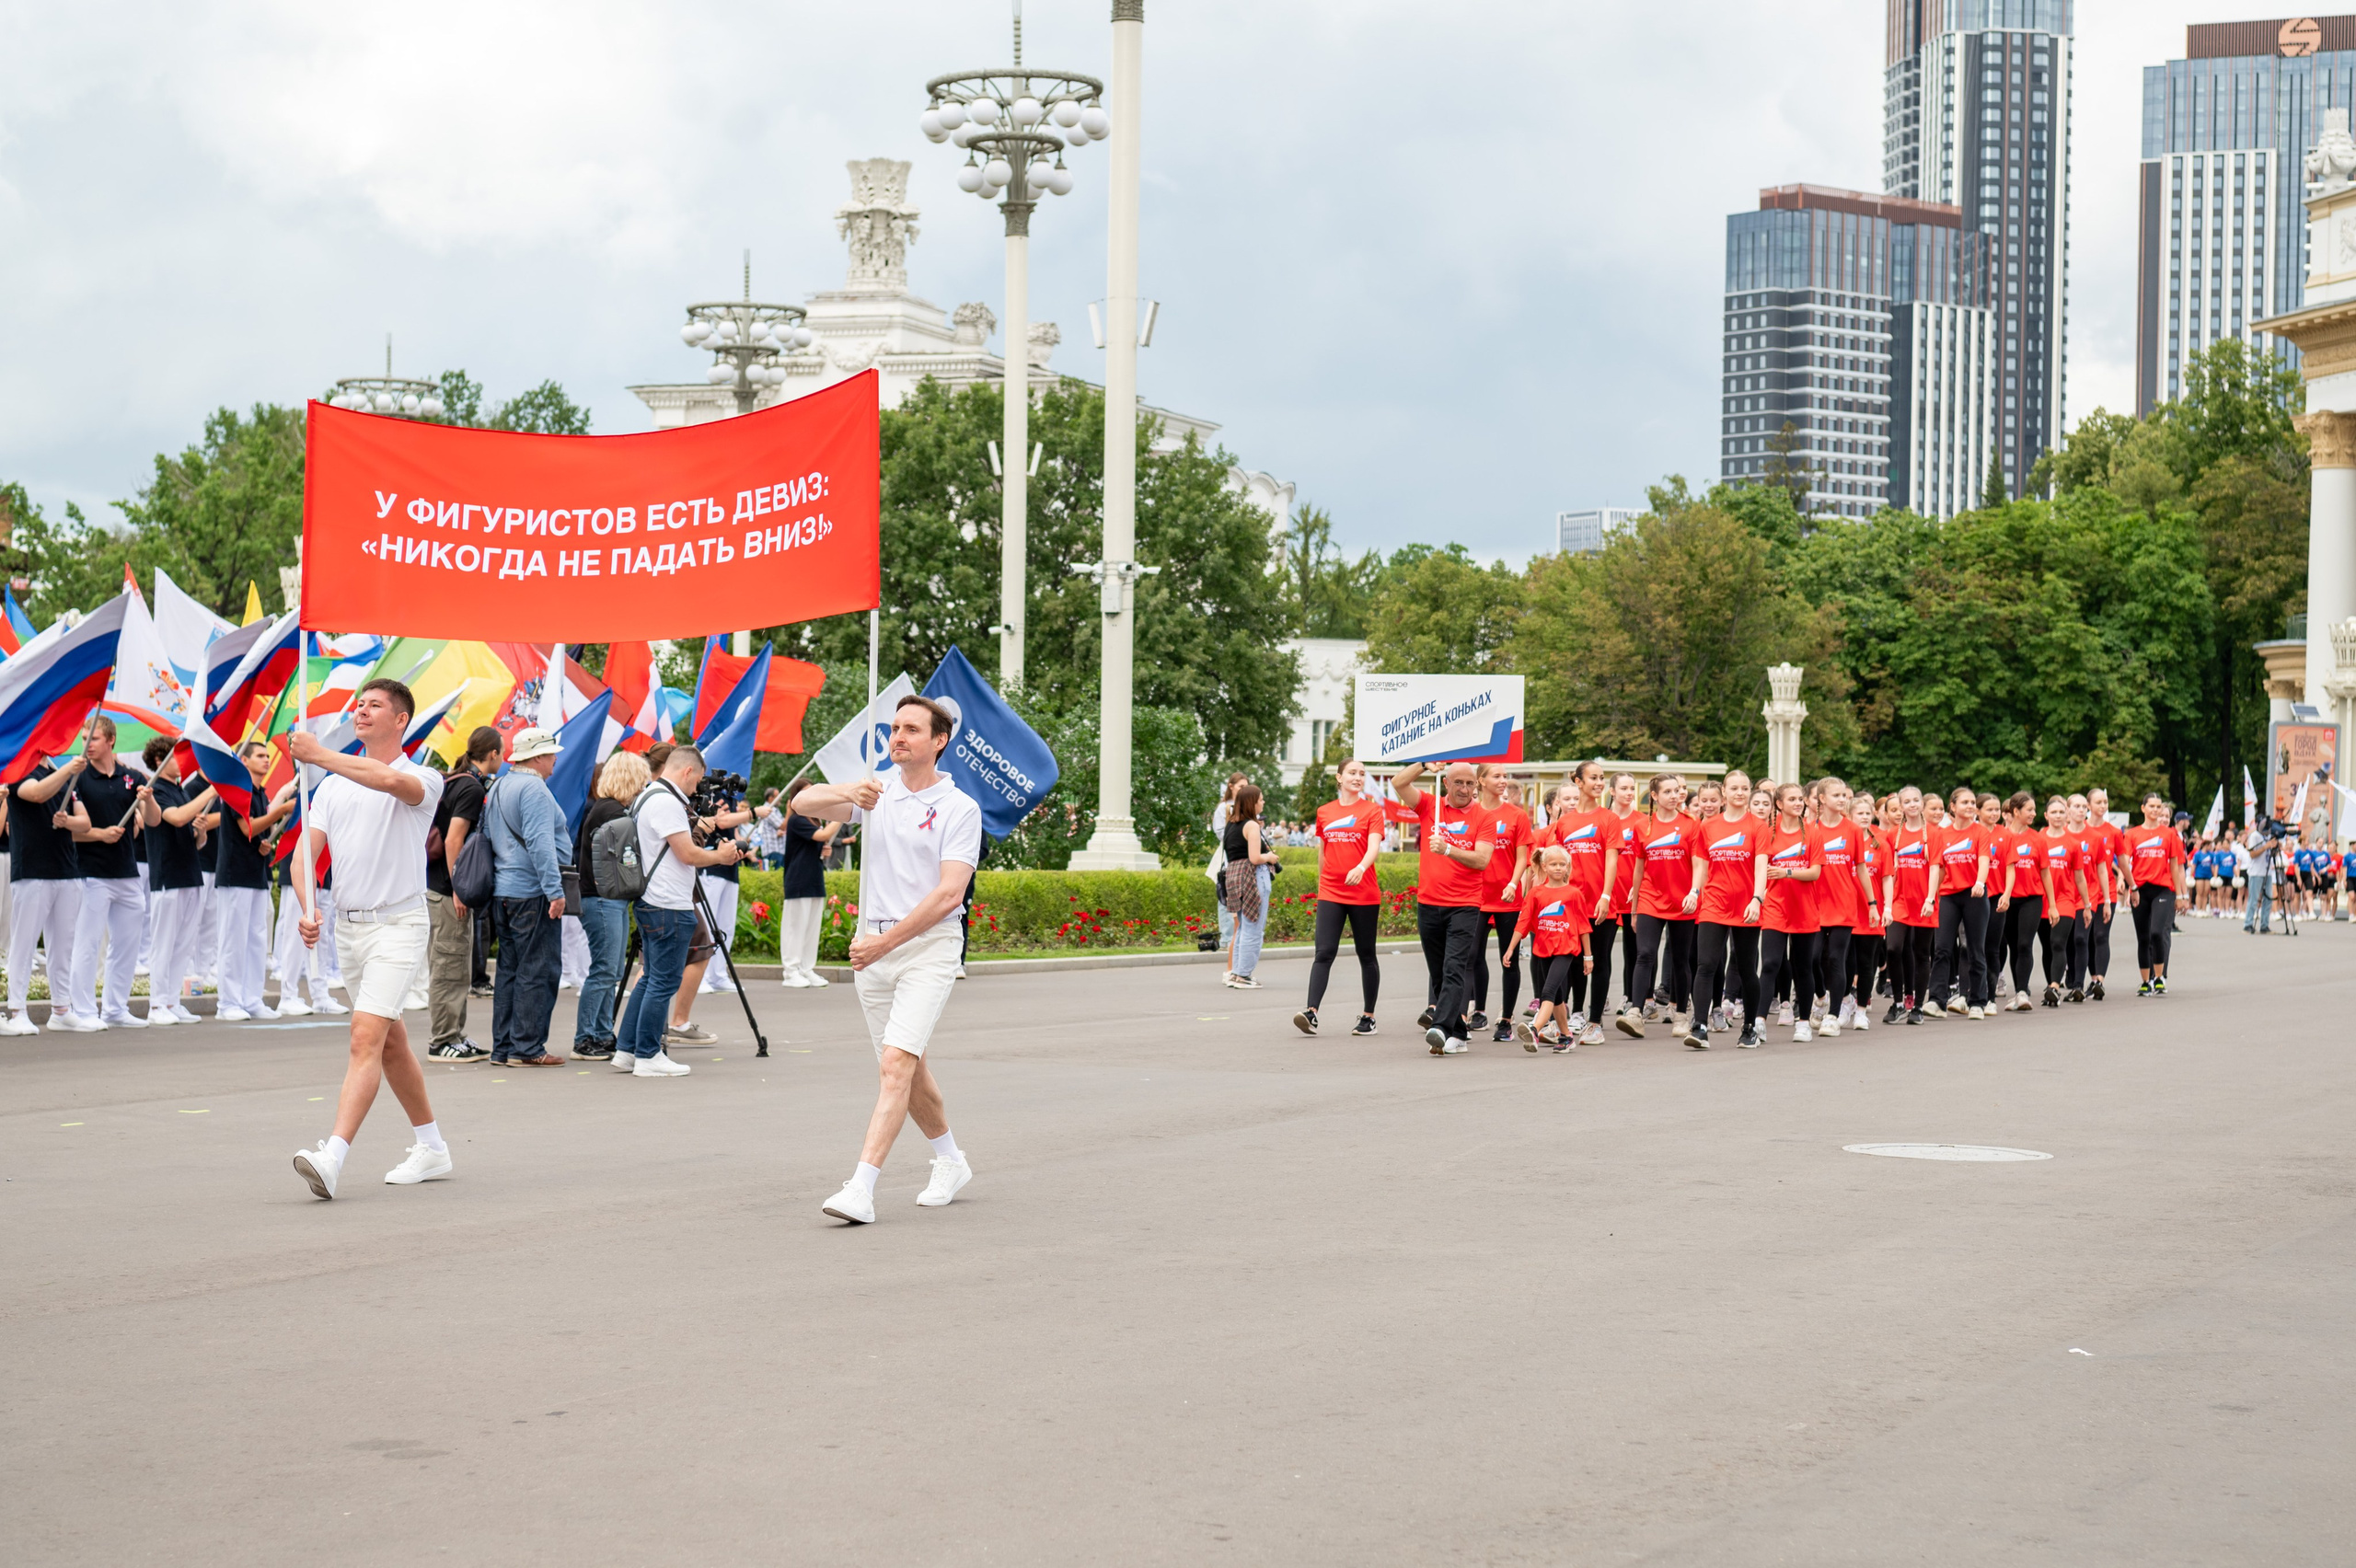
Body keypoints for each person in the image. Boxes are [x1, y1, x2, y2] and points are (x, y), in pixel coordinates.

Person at [795, 695, 983, 1225]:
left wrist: (886, 943)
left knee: (896, 1064)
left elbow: (949, 895)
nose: (898, 736)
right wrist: (846, 792)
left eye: (911, 729)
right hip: (873, 951)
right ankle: (951, 1160)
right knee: (908, 1066)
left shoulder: (960, 808)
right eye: (895, 727)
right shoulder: (876, 793)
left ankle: (861, 1188)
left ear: (939, 740)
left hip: (926, 947)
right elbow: (802, 803)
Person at [285, 677, 452, 1200]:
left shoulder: (423, 778)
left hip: (398, 926)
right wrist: (308, 906)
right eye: (359, 704)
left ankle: (332, 1157)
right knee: (390, 1043)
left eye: (374, 705)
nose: (361, 711)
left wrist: (319, 755)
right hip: (349, 930)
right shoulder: (331, 788)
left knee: (364, 1037)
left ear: (400, 720)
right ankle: (432, 1146)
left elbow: (387, 781)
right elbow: (303, 857)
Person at [612, 744, 745, 1077]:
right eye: (696, 780)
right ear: (687, 772)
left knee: (650, 979)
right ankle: (648, 1055)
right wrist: (721, 856)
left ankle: (627, 1051)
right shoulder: (667, 802)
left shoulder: (646, 796)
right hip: (668, 903)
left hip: (652, 899)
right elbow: (687, 854)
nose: (696, 788)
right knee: (663, 982)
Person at [1390, 759, 1496, 1056]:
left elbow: (1482, 860)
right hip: (1429, 902)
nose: (1464, 789)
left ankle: (1439, 1027)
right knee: (1438, 973)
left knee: (1453, 968)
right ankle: (1459, 1034)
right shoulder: (1430, 806)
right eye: (1458, 782)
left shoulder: (1484, 818)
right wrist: (1425, 765)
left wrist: (1448, 849)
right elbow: (1399, 783)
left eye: (1470, 783)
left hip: (1464, 904)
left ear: (1476, 786)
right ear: (1446, 783)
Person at [485, 726, 568, 1067]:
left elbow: (489, 835)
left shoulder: (501, 784)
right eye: (551, 755)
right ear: (538, 757)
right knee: (538, 970)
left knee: (509, 971)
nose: (555, 761)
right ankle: (528, 1048)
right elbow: (540, 843)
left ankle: (504, 1047)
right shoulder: (534, 788)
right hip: (532, 892)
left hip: (504, 890)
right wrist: (555, 891)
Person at [60, 718, 149, 1030]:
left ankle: (115, 1008)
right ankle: (84, 1010)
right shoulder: (77, 778)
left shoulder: (132, 777)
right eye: (84, 737)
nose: (87, 744)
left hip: (127, 873)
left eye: (94, 738)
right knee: (87, 944)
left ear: (111, 740)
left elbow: (152, 820)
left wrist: (148, 800)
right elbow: (65, 830)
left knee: (126, 945)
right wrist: (100, 834)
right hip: (90, 872)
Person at [197, 743, 294, 1022]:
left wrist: (264, 843)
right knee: (233, 940)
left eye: (267, 755)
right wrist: (280, 810)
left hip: (256, 873)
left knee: (256, 940)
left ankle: (252, 999)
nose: (266, 760)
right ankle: (228, 1002)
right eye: (260, 756)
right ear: (244, 760)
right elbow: (247, 826)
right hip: (235, 874)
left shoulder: (260, 792)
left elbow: (256, 834)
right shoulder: (237, 789)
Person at [1293, 757, 1383, 1038]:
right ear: (1339, 777)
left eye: (1362, 773)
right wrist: (1322, 882)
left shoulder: (1372, 810)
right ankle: (1311, 1012)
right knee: (1324, 952)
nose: (1358, 777)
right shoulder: (1325, 812)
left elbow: (1374, 846)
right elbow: (1324, 850)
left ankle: (1368, 1017)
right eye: (1352, 773)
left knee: (1366, 954)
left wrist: (1361, 867)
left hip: (1364, 893)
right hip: (1331, 892)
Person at [423, 727, 497, 1064]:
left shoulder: (457, 780)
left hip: (440, 888)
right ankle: (442, 1041)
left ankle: (455, 1035)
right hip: (446, 891)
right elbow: (454, 840)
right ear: (492, 754)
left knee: (456, 967)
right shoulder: (470, 786)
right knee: (448, 968)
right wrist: (459, 888)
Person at [2, 751, 88, 1035]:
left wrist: (68, 821)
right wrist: (68, 770)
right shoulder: (18, 769)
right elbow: (36, 793)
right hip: (32, 869)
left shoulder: (58, 772)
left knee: (63, 945)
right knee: (24, 944)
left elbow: (84, 822)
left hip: (66, 868)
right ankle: (17, 1010)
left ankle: (61, 1010)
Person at [569, 750, 647, 1061]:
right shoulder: (613, 812)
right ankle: (585, 1037)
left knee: (610, 970)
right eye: (641, 781)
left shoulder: (604, 808)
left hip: (602, 898)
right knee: (604, 970)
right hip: (603, 899)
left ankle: (600, 1034)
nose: (643, 787)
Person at [1684, 769, 1765, 1049]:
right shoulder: (1708, 826)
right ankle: (1700, 1027)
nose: (1740, 793)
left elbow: (1761, 867)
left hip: (1746, 906)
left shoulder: (1757, 826)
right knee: (1706, 965)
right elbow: (1701, 867)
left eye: (1745, 788)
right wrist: (1694, 891)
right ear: (1724, 792)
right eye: (1734, 788)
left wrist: (1757, 899)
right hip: (1714, 904)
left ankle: (1749, 1028)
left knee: (1746, 969)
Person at [135, 738, 213, 1027]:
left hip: (190, 874)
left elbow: (193, 838)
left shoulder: (179, 790)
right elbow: (177, 819)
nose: (182, 761)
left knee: (183, 945)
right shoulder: (156, 790)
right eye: (175, 756)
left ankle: (172, 1001)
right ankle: (157, 1004)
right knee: (164, 944)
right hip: (167, 877)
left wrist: (201, 833)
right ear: (159, 761)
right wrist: (211, 792)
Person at [1627, 773, 1697, 1038]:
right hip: (1650, 898)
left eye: (1676, 791)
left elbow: (1699, 864)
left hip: (1682, 902)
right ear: (1654, 796)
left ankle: (1680, 1015)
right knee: (1645, 953)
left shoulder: (1691, 824)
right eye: (1667, 792)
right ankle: (1635, 1012)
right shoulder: (1642, 826)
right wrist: (1635, 909)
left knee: (1680, 959)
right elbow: (1639, 868)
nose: (1674, 796)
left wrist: (1694, 892)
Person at [1465, 765, 1531, 1043]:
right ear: (1481, 781)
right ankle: (1477, 1011)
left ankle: (1505, 1020)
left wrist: (1513, 884)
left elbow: (1522, 858)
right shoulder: (1470, 813)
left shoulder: (1517, 815)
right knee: (1471, 956)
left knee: (1509, 959)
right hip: (1476, 896)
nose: (1503, 781)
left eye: (1505, 776)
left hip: (1507, 897)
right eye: (1497, 776)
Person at [1754, 782, 1823, 1045]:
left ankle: (1803, 1023)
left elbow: (1815, 872)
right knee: (1770, 963)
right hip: (1775, 907)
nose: (1798, 803)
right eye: (1791, 799)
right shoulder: (1767, 832)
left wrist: (1787, 872)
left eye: (1800, 799)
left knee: (1802, 967)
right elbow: (1760, 868)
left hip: (1805, 909)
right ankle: (1759, 1021)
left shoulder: (1813, 833)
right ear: (1779, 804)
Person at [1507, 845, 1588, 1052]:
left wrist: (1588, 956)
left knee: (1548, 991)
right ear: (1544, 866)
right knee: (1557, 997)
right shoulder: (1536, 893)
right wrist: (1511, 948)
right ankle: (1567, 1037)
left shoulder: (1574, 894)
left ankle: (1534, 1029)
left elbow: (1583, 927)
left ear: (1568, 867)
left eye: (1562, 864)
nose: (1558, 868)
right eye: (1553, 864)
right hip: (1543, 950)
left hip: (1565, 950)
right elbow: (1523, 922)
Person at [1803, 777, 1863, 1035]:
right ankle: (1820, 997)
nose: (1842, 799)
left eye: (1844, 795)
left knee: (1837, 959)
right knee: (1812, 958)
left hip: (1843, 904)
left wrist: (1873, 903)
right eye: (1836, 795)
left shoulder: (1853, 830)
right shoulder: (1808, 829)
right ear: (1822, 799)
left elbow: (1861, 869)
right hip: (1814, 905)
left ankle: (1833, 1015)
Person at [1884, 787, 1943, 1026]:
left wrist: (1930, 899)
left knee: (1921, 953)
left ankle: (1918, 1006)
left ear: (1921, 803)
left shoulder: (1934, 834)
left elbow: (1935, 868)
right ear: (1900, 806)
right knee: (1893, 948)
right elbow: (1888, 873)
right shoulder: (1892, 835)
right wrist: (1887, 905)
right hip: (1899, 901)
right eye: (1906, 801)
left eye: (1916, 800)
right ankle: (1899, 1003)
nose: (1912, 805)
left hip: (1924, 901)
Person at [777, 778, 843, 987]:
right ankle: (790, 972)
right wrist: (843, 813)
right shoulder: (797, 819)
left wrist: (824, 850)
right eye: (805, 792)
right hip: (798, 880)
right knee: (795, 928)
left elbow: (819, 841)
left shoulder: (814, 820)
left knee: (811, 929)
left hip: (814, 878)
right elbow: (823, 835)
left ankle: (806, 969)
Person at [2126, 793, 2189, 991]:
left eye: (2158, 806)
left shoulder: (2169, 835)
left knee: (2157, 933)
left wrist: (2180, 896)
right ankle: (2145, 981)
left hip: (2163, 889)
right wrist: (2128, 886)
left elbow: (2175, 866)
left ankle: (2159, 977)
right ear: (2143, 808)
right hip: (2140, 890)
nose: (2155, 810)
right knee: (2143, 937)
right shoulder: (2133, 834)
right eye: (2151, 806)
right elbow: (2126, 862)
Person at [1220, 783, 1280, 988]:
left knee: (1243, 927)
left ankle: (1236, 973)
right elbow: (1255, 858)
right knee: (1254, 927)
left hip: (1234, 876)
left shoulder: (1231, 824)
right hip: (1252, 876)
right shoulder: (1252, 825)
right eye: (1261, 799)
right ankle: (1243, 976)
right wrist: (1269, 857)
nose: (1263, 802)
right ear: (1252, 803)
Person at [1990, 792, 2046, 1013]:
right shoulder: (2000, 836)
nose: (2033, 814)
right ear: (2015, 811)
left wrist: (2051, 905)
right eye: (2029, 810)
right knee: (2012, 945)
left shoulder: (2038, 838)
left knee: (2024, 944)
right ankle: (2015, 990)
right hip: (2006, 898)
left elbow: (2045, 873)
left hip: (2031, 898)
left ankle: (2022, 991)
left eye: (2034, 809)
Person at [1841, 790, 1885, 1030]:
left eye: (1868, 813)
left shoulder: (1880, 844)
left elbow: (1888, 878)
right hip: (1845, 910)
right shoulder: (1842, 841)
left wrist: (1884, 907)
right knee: (1844, 963)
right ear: (1849, 816)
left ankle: (1861, 1011)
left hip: (1870, 911)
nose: (1866, 817)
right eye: (1860, 813)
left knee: (1867, 964)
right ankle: (1844, 1001)